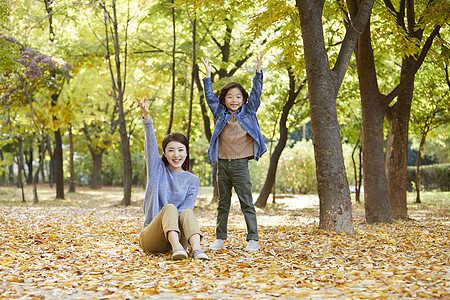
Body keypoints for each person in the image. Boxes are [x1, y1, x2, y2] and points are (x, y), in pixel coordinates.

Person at [201, 52, 266, 252]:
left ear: (243, 99)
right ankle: (220, 238)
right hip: (222, 163)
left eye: (238, 96)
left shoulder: (249, 112)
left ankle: (253, 239)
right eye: (230, 96)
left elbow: (256, 93)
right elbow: (210, 98)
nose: (234, 99)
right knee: (223, 204)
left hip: (240, 165)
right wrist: (207, 76)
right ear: (225, 99)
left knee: (247, 202)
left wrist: (258, 71)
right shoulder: (220, 113)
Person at [136, 96, 208, 260]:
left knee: (188, 211)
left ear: (186, 152)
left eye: (180, 150)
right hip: (152, 236)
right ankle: (177, 249)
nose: (176, 155)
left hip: (180, 236)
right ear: (165, 154)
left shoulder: (192, 180)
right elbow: (150, 145)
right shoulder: (157, 170)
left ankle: (196, 249)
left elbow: (185, 211)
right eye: (171, 150)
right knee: (169, 208)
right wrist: (147, 118)